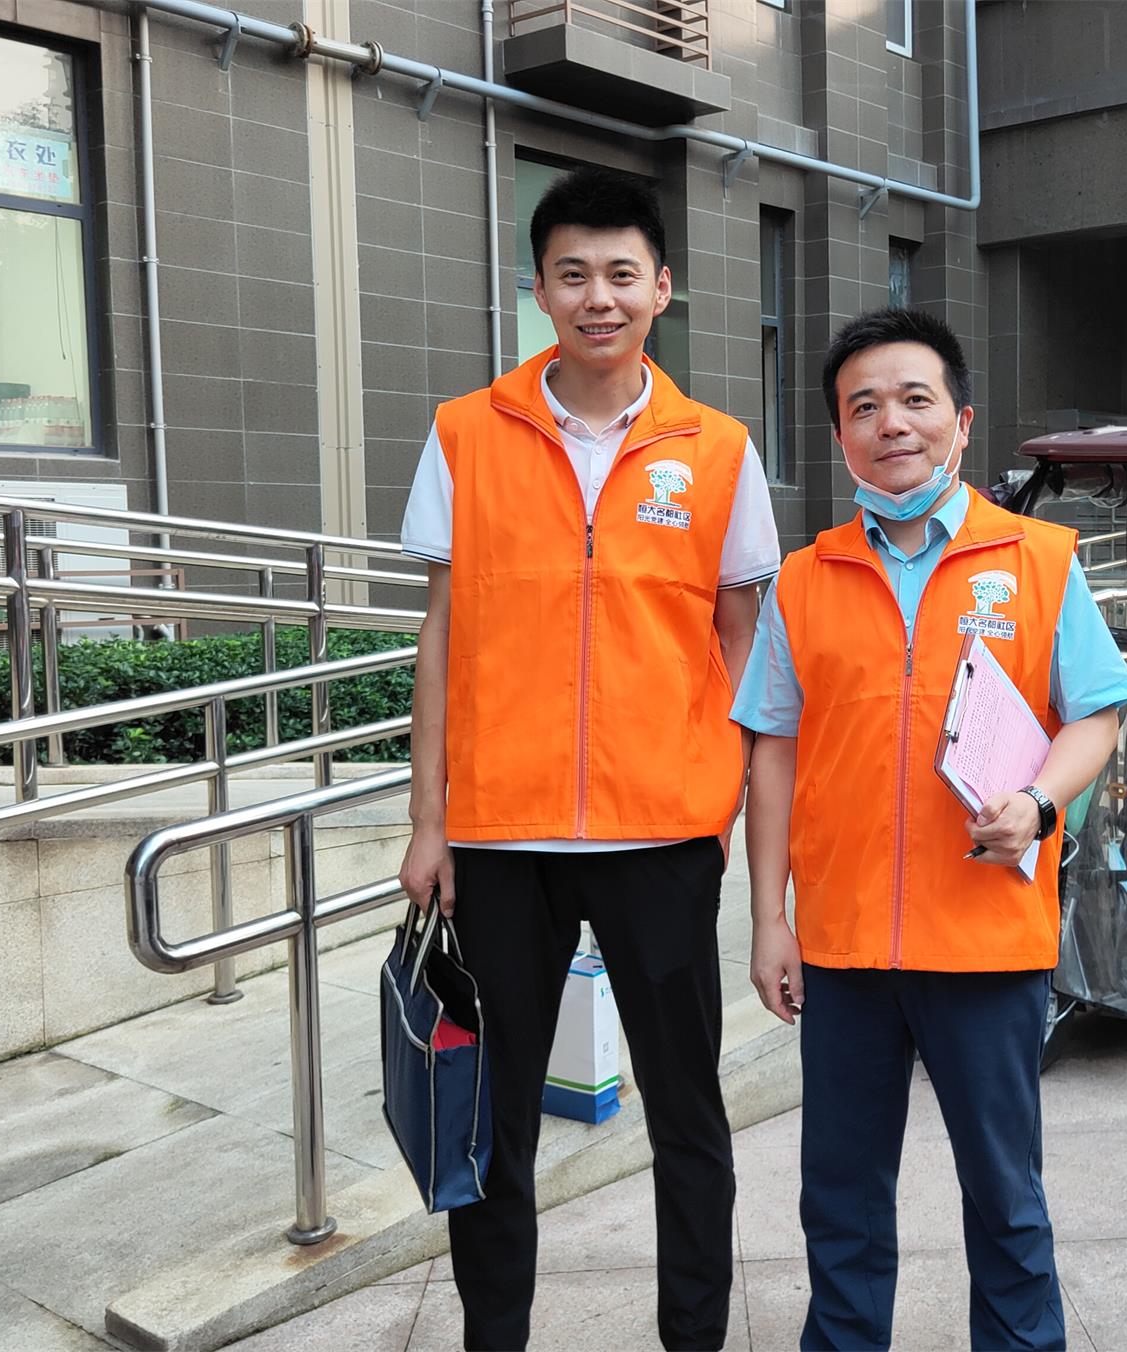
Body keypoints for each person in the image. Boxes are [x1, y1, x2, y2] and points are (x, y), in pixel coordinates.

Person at [395, 165, 779, 1351]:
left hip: (662, 833)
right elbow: (440, 637)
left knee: (687, 1113)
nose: (596, 296)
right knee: (491, 1119)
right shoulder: (465, 433)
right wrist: (426, 820)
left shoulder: (718, 449)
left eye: (621, 273)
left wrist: (721, 804)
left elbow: (742, 645)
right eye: (572, 274)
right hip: (499, 836)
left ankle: (694, 1337)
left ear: (662, 287)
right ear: (539, 290)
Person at [732, 308, 1127, 1351]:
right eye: (863, 406)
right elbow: (772, 750)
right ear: (839, 435)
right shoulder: (805, 580)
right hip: (844, 948)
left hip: (985, 941)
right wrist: (769, 919)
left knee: (1004, 1197)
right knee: (840, 1198)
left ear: (960, 422)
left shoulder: (1037, 559)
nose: (891, 424)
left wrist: (1038, 802)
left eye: (914, 400)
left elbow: (1096, 712)